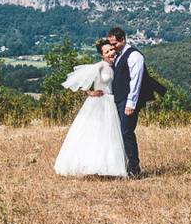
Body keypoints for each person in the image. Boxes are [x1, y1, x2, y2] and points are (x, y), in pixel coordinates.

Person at [53, 39, 127, 177]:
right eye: (107, 52)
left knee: (109, 134)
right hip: (99, 102)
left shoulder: (114, 66)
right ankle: (90, 165)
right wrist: (89, 92)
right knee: (94, 131)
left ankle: (109, 165)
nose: (111, 53)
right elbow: (81, 79)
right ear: (102, 55)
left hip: (111, 102)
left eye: (111, 50)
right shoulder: (99, 66)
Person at [107, 26, 163, 178]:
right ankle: (123, 166)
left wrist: (130, 103)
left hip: (128, 101)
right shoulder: (119, 55)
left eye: (114, 44)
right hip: (119, 100)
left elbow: (135, 81)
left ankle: (134, 169)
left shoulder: (134, 56)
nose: (112, 47)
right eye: (110, 44)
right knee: (121, 133)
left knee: (127, 132)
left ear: (123, 40)